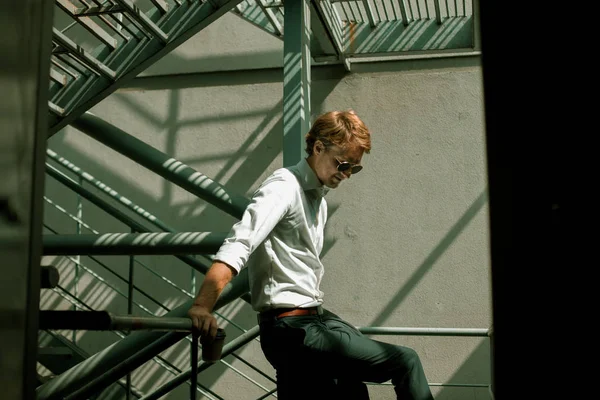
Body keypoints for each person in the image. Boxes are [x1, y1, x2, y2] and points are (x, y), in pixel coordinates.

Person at [188, 110, 434, 399]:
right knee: (406, 361)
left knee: (351, 390)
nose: (346, 174)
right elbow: (239, 243)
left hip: (312, 318)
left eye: (354, 169)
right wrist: (203, 306)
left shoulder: (318, 198)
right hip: (291, 328)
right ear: (318, 148)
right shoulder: (283, 188)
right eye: (342, 164)